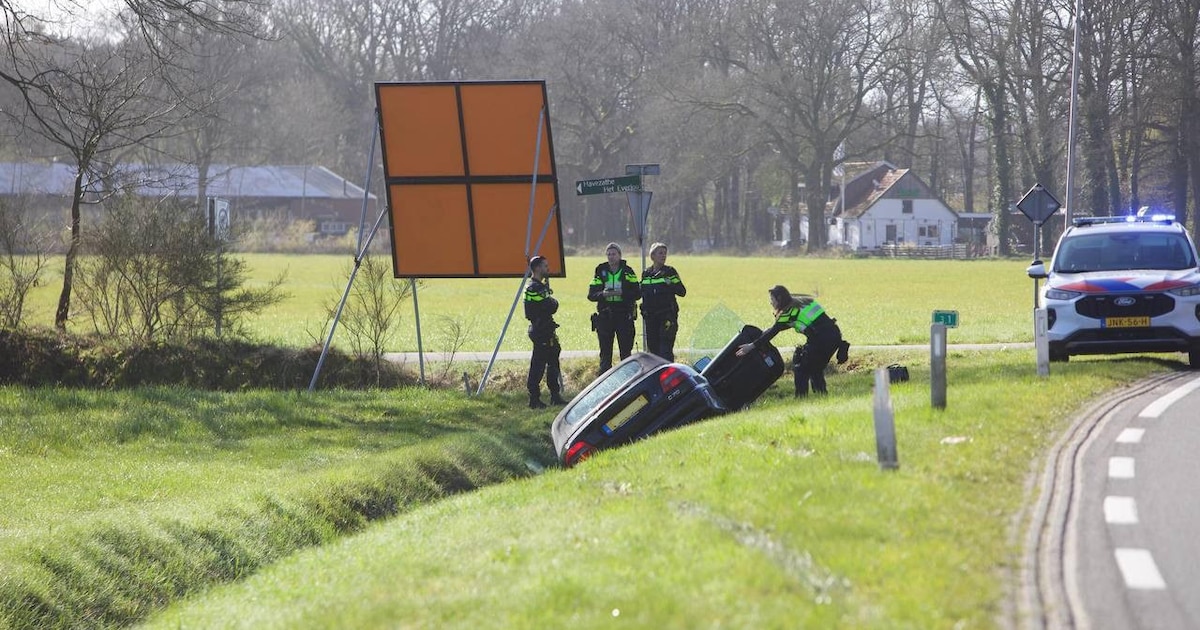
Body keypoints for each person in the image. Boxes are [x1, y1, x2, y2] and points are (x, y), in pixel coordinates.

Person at [736, 285, 850, 397]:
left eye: (772, 299)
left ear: (779, 299)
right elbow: (788, 324)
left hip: (822, 340)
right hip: (834, 335)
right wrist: (771, 329)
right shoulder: (802, 302)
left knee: (801, 365)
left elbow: (774, 331)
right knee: (815, 367)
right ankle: (821, 396)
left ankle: (801, 398)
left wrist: (751, 346)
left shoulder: (789, 312)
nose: (770, 302)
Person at [587, 242, 641, 374]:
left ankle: (627, 381)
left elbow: (637, 293)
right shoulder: (600, 270)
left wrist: (621, 293)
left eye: (614, 254)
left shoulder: (628, 271)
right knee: (605, 354)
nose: (611, 257)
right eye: (609, 254)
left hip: (623, 316)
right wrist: (603, 294)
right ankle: (605, 382)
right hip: (606, 316)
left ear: (620, 255)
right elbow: (591, 294)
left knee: (625, 353)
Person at [524, 255, 566, 409]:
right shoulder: (535, 288)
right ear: (537, 268)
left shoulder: (539, 286)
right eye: (544, 266)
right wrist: (552, 301)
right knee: (538, 365)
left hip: (547, 329)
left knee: (553, 362)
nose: (547, 268)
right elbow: (552, 305)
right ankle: (534, 399)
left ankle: (555, 395)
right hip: (541, 330)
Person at [639, 242, 686, 361]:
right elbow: (641, 293)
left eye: (665, 253)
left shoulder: (670, 272)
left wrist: (670, 283)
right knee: (653, 350)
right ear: (652, 256)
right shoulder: (646, 273)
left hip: (667, 317)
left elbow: (682, 291)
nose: (663, 256)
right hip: (651, 318)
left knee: (665, 350)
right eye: (660, 253)